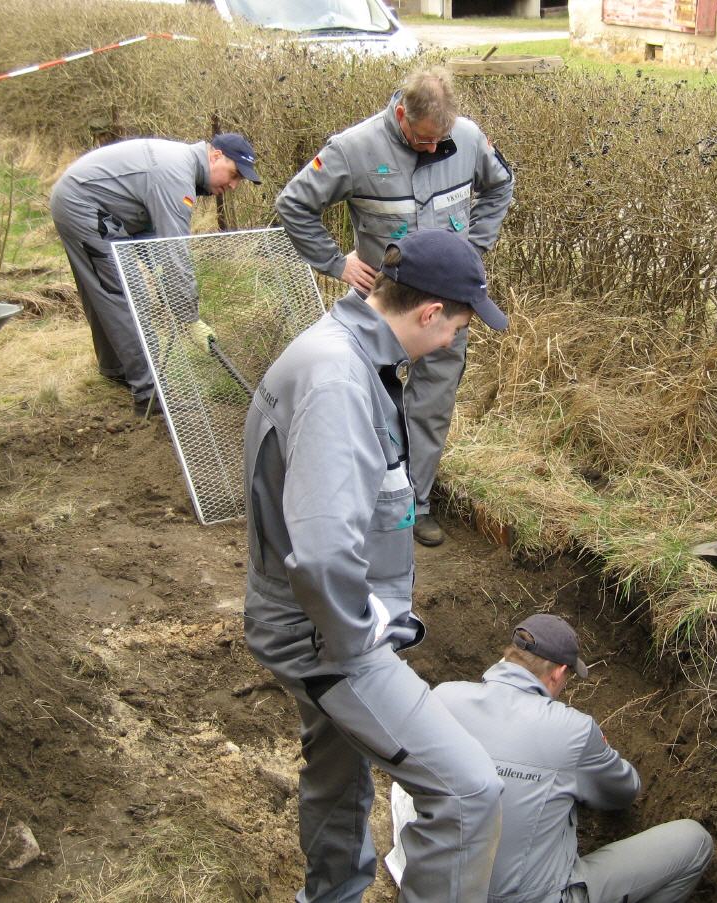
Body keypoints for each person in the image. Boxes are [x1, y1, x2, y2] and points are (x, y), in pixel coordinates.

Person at [242, 229, 509, 903]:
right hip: (324, 636)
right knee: (468, 791)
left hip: (312, 620)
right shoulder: (338, 380)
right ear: (430, 312)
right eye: (457, 328)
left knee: (338, 769)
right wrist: (360, 641)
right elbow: (325, 551)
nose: (451, 343)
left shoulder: (344, 350)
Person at [276, 66, 514, 547]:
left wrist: (474, 249)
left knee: (432, 404)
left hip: (443, 307)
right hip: (383, 304)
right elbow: (294, 204)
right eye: (423, 138)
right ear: (401, 113)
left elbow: (500, 185)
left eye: (440, 140)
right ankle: (365, 495)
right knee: (366, 399)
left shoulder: (467, 139)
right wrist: (335, 262)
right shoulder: (353, 149)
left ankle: (414, 504)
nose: (432, 147)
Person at [388, 613, 714, 903]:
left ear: (509, 657)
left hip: (433, 890)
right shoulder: (574, 730)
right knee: (694, 841)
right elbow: (623, 792)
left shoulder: (444, 696)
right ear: (558, 673)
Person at [50, 133, 260, 416]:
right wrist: (189, 317)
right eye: (234, 175)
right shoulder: (176, 176)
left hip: (108, 210)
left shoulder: (180, 167)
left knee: (105, 289)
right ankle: (150, 393)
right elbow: (174, 251)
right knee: (127, 295)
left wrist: (167, 282)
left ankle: (117, 369)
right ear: (215, 156)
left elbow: (156, 244)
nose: (233, 186)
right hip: (83, 205)